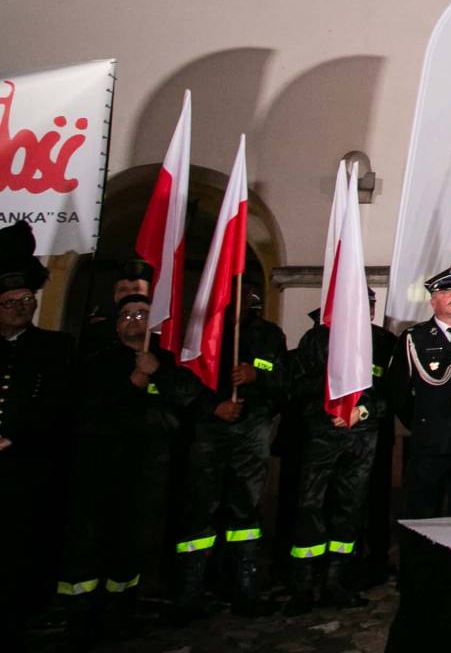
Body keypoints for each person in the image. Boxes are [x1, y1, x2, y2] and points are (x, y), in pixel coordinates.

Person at [55, 293, 181, 642]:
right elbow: (90, 414)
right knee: (88, 545)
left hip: (144, 470)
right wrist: (135, 383)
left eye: (142, 315)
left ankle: (120, 610)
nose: (134, 321)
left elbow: (183, 403)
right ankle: (80, 617)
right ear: (116, 323)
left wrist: (158, 375)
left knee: (131, 544)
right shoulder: (96, 363)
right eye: (127, 315)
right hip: (98, 470)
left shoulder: (165, 360)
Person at [174, 282, 286, 620]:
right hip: (209, 430)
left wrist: (256, 375)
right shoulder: (199, 332)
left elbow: (282, 378)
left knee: (245, 511)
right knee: (200, 508)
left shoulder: (268, 335)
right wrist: (212, 407)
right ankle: (190, 591)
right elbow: (183, 380)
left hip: (251, 428)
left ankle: (245, 587)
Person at [284, 286, 397, 614]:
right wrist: (332, 395)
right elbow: (293, 386)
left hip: (362, 436)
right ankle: (304, 583)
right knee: (310, 507)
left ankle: (337, 580)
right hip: (321, 435)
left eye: (370, 305)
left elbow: (393, 392)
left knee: (350, 509)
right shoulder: (316, 339)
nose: (365, 310)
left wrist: (361, 410)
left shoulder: (382, 342)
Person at [0, 229, 74, 626]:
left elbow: (55, 404)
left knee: (21, 547)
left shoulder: (55, 348)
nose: (20, 307)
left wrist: (16, 436)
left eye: (26, 301)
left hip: (28, 464)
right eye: (10, 302)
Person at [390, 267, 451, 519]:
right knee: (423, 512)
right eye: (446, 291)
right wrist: (421, 423)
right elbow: (397, 391)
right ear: (433, 300)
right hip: (429, 442)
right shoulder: (415, 337)